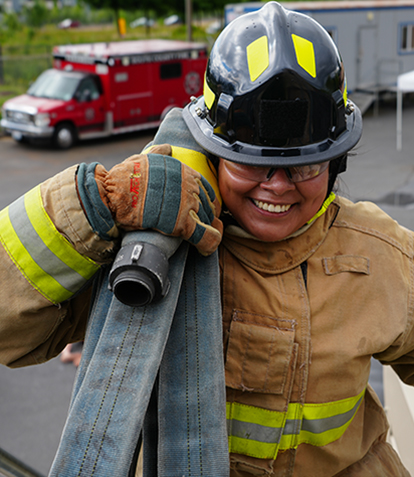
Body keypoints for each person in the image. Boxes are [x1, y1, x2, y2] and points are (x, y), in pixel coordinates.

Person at [0, 2, 413, 475]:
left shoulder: (379, 254)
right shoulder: (141, 245)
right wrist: (94, 206)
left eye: (304, 164)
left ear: (336, 161)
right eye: (251, 163)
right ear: (212, 154)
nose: (277, 184)